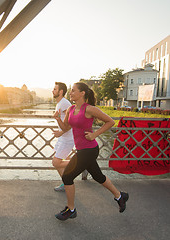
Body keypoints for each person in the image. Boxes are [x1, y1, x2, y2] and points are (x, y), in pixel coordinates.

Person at [54, 82, 129, 221]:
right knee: (98, 176)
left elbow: (110, 122)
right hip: (82, 149)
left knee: (67, 177)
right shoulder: (70, 109)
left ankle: (71, 209)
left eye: (73, 91)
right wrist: (58, 118)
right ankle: (120, 196)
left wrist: (95, 134)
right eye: (70, 91)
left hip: (89, 150)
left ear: (82, 93)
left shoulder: (89, 109)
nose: (70, 93)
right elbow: (65, 127)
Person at [51, 82, 75, 191]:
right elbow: (65, 123)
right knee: (58, 163)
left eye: (55, 89)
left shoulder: (64, 103)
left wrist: (61, 132)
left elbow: (71, 122)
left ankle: (83, 164)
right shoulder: (60, 103)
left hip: (67, 139)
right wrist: (60, 131)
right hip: (63, 138)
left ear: (60, 92)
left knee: (56, 162)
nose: (52, 91)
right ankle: (66, 184)